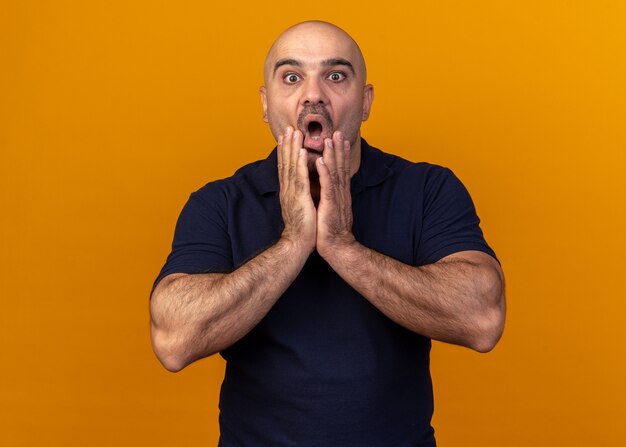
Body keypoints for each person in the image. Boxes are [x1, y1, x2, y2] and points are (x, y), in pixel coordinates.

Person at [150, 20, 505, 447]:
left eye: (336, 76)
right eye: (292, 77)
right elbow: (173, 340)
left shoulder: (427, 189)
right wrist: (294, 242)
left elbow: (483, 319)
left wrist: (341, 246)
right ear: (266, 103)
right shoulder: (221, 202)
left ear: (366, 101)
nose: (314, 94)